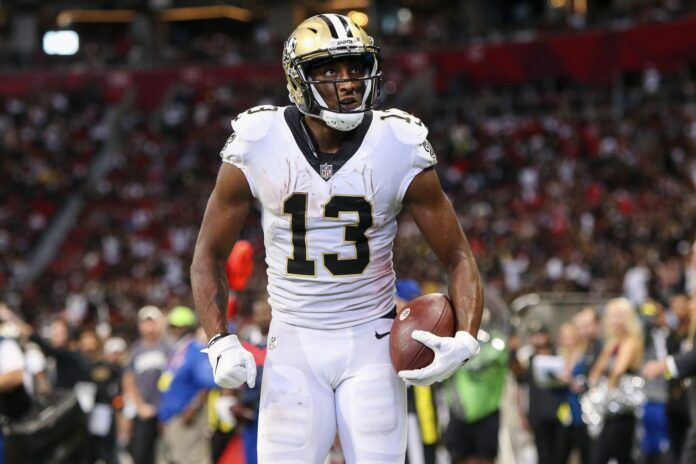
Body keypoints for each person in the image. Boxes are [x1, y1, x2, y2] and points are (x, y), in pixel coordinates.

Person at [190, 13, 483, 463]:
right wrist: (219, 340)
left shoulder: (398, 142)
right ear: (298, 78)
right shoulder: (259, 139)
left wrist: (466, 339)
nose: (348, 83)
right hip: (292, 339)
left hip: (373, 338)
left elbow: (458, 256)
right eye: (329, 71)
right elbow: (208, 252)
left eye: (355, 68)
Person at [157, 306, 217, 464]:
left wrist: (194, 406)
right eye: (172, 326)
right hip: (172, 417)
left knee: (192, 460)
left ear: (187, 327)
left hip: (187, 417)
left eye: (178, 327)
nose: (174, 330)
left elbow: (208, 382)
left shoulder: (195, 349)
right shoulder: (177, 350)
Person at [588, 297, 644, 464]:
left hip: (623, 410)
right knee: (601, 456)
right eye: (611, 315)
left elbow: (617, 371)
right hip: (608, 410)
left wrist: (603, 386)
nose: (614, 320)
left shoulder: (631, 341)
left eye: (619, 315)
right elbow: (595, 373)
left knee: (622, 455)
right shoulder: (611, 343)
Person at [122, 305, 170, 464]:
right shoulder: (135, 350)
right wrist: (140, 406)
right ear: (140, 326)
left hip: (165, 412)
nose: (150, 327)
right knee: (141, 455)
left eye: (153, 322)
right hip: (143, 412)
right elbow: (128, 380)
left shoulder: (168, 348)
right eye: (146, 323)